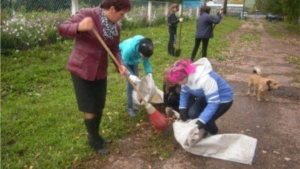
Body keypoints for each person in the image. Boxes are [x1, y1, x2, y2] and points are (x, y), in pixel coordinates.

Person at [58, 0, 131, 155]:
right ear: (112, 9)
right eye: (121, 14)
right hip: (82, 68)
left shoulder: (116, 28)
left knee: (99, 104)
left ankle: (97, 135)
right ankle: (93, 139)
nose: (122, 17)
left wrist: (120, 63)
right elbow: (62, 28)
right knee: (90, 105)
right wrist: (79, 27)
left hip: (100, 70)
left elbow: (114, 48)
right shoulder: (88, 14)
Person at [163, 58, 233, 136]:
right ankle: (205, 126)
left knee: (207, 120)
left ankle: (213, 132)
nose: (178, 84)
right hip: (206, 96)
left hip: (223, 99)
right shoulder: (184, 77)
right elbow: (184, 92)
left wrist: (201, 121)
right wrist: (182, 108)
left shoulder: (205, 80)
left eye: (178, 82)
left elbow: (213, 103)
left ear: (184, 77)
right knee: (193, 114)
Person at [119, 35, 154, 117]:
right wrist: (130, 75)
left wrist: (149, 73)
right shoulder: (128, 50)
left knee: (136, 83)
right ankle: (129, 108)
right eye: (143, 56)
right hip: (124, 60)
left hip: (133, 61)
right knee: (131, 84)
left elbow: (146, 62)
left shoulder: (145, 46)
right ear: (139, 52)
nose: (145, 58)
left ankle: (133, 104)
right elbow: (123, 64)